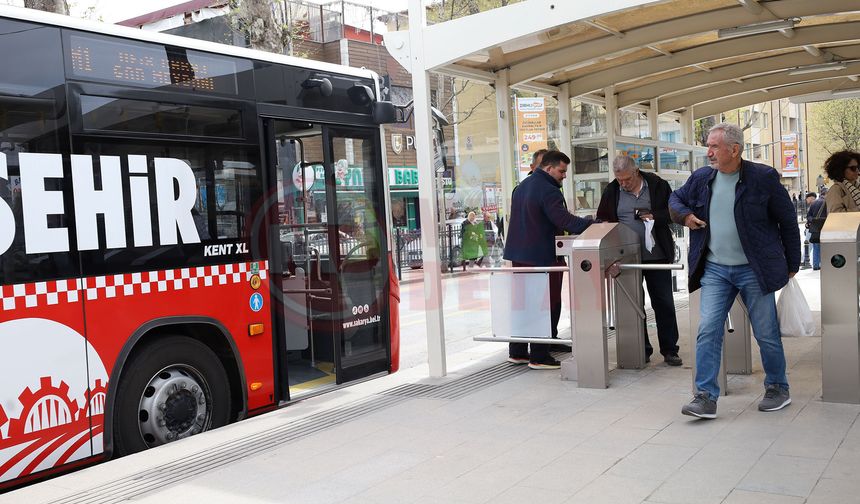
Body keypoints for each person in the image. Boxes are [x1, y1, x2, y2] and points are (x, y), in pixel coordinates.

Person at [669, 122, 799, 419]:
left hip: (753, 269)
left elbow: (788, 222)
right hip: (715, 268)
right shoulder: (702, 178)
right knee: (708, 330)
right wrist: (686, 216)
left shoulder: (762, 178)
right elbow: (675, 199)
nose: (709, 152)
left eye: (715, 146)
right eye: (709, 146)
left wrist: (793, 263)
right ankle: (704, 396)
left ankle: (778, 387)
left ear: (735, 149)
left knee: (765, 333)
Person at [504, 150, 593, 370]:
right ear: (549, 168)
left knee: (523, 305)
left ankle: (517, 352)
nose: (564, 175)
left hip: (519, 256)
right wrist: (591, 224)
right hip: (542, 257)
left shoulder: (522, 187)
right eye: (562, 171)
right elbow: (562, 219)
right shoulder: (548, 190)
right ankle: (540, 356)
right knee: (546, 304)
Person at [596, 155, 682, 366]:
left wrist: (653, 216)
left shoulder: (657, 185)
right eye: (619, 180)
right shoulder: (612, 191)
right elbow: (603, 220)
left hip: (657, 256)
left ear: (636, 172)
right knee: (633, 305)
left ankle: (670, 350)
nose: (623, 184)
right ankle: (641, 349)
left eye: (627, 179)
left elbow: (673, 213)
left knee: (663, 303)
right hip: (625, 258)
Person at [805, 191, 826, 270]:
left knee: (815, 246)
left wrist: (813, 221)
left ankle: (815, 265)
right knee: (823, 247)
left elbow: (808, 216)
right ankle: (821, 264)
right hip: (824, 227)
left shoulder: (814, 203)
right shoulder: (826, 202)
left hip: (815, 228)